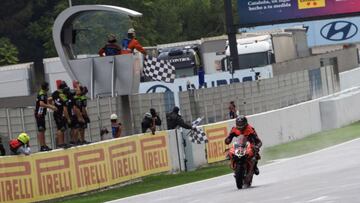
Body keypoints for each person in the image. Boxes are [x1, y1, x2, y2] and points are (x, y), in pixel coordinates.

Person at [35, 82, 57, 151]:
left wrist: (51, 106)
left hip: (42, 114)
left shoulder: (44, 93)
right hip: (39, 114)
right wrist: (50, 106)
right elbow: (41, 104)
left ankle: (44, 145)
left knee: (43, 129)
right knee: (41, 130)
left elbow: (46, 102)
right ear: (46, 87)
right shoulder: (41, 94)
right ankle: (42, 146)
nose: (48, 88)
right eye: (48, 87)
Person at [52, 81, 71, 148]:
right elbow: (65, 109)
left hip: (56, 113)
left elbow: (50, 99)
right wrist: (68, 118)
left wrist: (52, 106)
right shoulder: (62, 95)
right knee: (61, 128)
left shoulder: (54, 93)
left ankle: (61, 143)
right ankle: (60, 144)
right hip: (60, 114)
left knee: (61, 128)